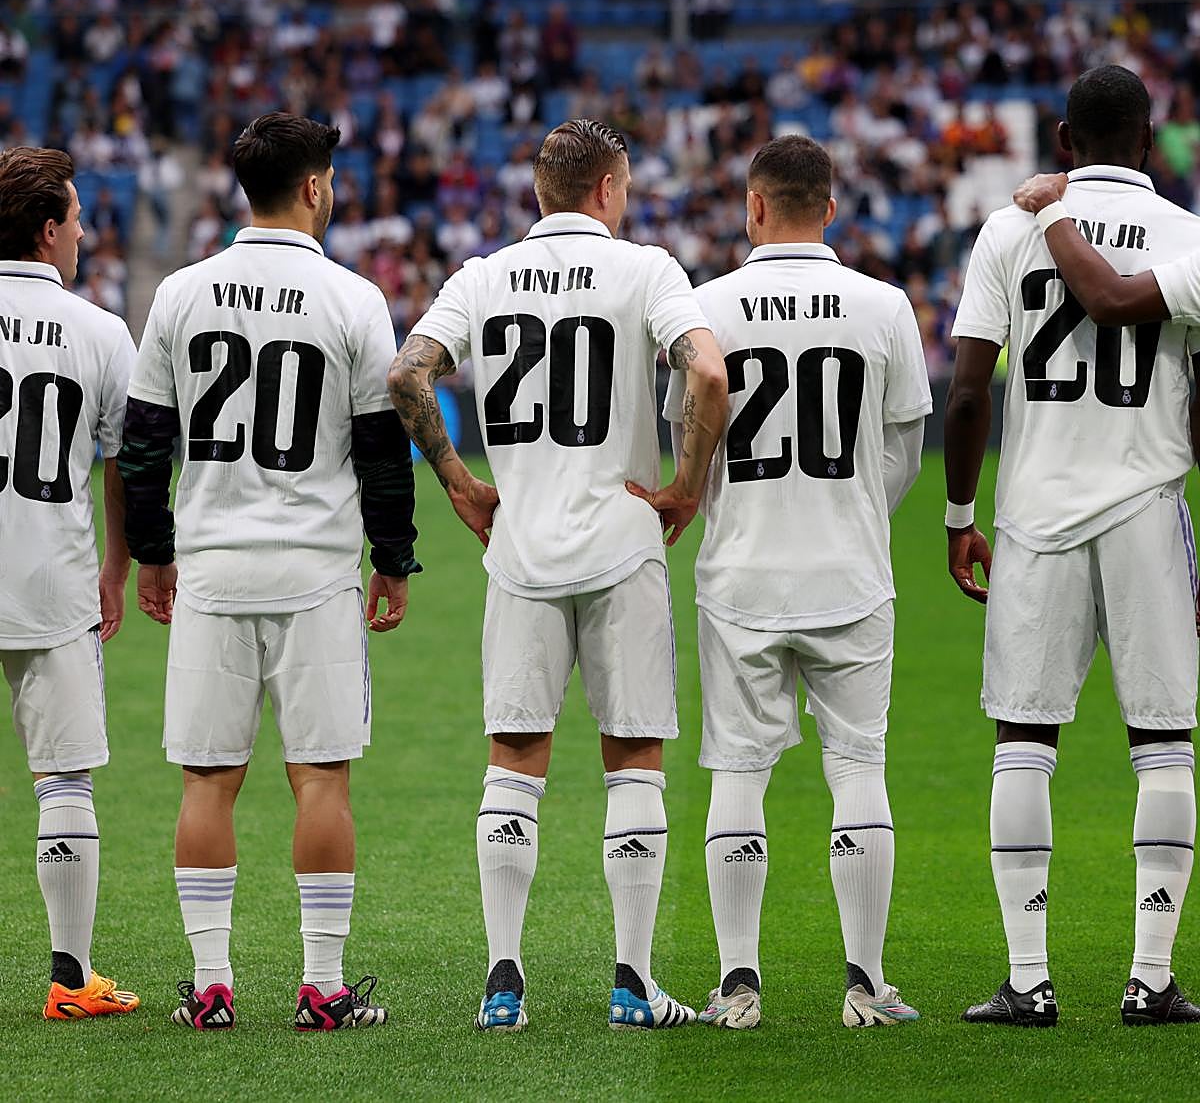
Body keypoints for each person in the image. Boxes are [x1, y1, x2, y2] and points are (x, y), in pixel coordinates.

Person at [387, 118, 727, 1032]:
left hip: (523, 548)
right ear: (610, 189)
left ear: (541, 192)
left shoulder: (481, 276)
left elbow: (407, 377)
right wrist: (686, 487)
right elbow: (708, 377)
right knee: (634, 759)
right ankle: (632, 981)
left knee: (515, 759)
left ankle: (504, 982)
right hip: (623, 543)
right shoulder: (646, 268)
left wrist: (457, 481)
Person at [119, 112, 420, 1032]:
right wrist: (394, 559)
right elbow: (380, 448)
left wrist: (154, 555)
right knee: (319, 776)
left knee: (208, 780)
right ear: (317, 186)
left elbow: (142, 447)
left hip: (212, 567)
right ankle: (321, 988)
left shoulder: (179, 293)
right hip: (315, 569)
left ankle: (211, 988)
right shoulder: (352, 299)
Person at [948, 65, 1200, 1026]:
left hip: (1037, 513)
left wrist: (956, 515)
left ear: (1062, 138)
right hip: (1146, 505)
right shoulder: (1188, 235)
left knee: (1023, 736)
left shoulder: (1012, 229)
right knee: (1164, 741)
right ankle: (1150, 976)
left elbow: (970, 392)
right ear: (1150, 138)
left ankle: (1026, 979)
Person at [663, 135, 930, 1031]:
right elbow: (903, 452)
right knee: (859, 766)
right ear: (832, 204)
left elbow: (685, 447)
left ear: (753, 206)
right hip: (850, 570)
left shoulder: (705, 308)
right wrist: (852, 509)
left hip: (739, 571)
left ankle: (739, 986)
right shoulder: (885, 305)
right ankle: (865, 984)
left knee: (737, 771)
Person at [0, 146, 140, 1020]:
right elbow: (127, 463)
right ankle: (69, 977)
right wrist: (118, 571)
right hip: (52, 579)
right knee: (65, 781)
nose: (85, 233)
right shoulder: (98, 331)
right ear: (50, 232)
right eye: (79, 218)